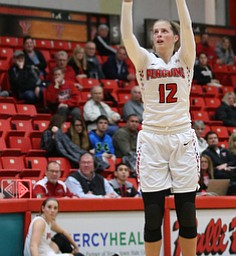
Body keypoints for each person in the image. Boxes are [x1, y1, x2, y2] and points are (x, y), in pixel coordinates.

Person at [121, 0, 200, 255]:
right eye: (155, 32)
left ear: (176, 37)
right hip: (153, 140)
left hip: (182, 139)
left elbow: (188, 27)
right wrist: (126, 4)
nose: (158, 35)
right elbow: (126, 36)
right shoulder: (144, 60)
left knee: (187, 214)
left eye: (164, 31)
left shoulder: (185, 57)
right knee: (152, 215)